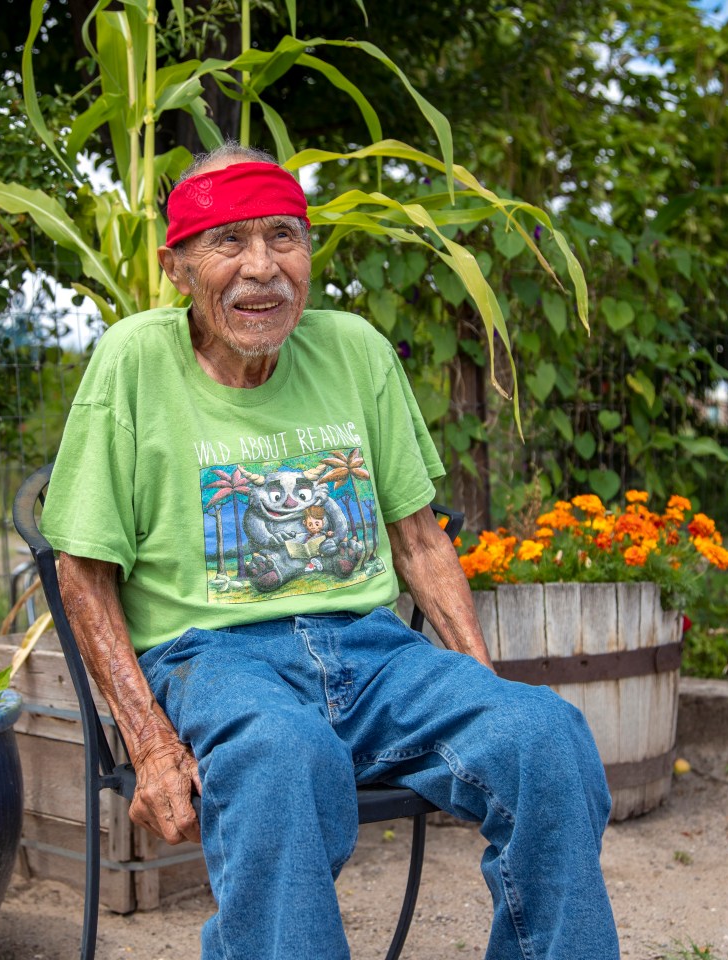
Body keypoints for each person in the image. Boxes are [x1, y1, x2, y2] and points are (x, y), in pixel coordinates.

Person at [41, 143, 619, 959]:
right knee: (284, 753)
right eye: (229, 242)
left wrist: (482, 689)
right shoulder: (135, 360)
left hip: (373, 652)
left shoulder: (354, 349)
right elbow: (83, 575)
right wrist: (152, 744)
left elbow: (419, 541)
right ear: (177, 267)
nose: (262, 267)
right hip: (212, 657)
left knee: (544, 737)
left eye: (283, 237)